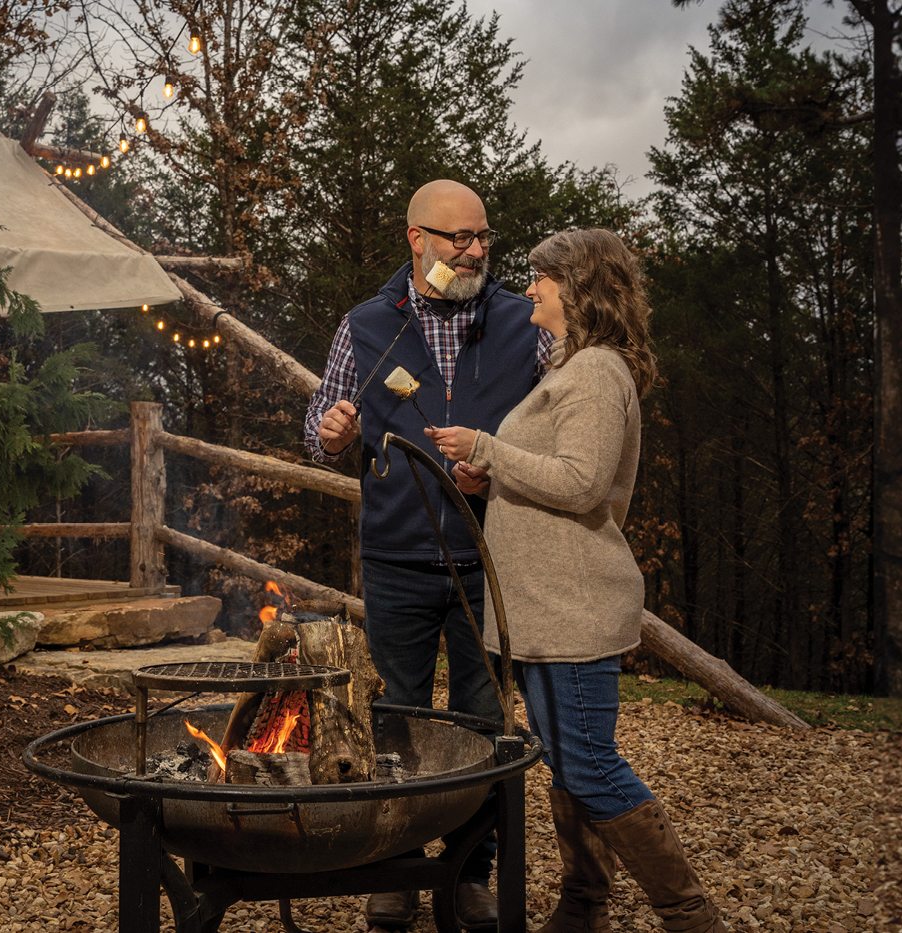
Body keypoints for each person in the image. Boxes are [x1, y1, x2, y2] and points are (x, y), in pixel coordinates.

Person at [427, 228, 728, 933]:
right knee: (569, 766)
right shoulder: (573, 367)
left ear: (578, 287)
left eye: (541, 278)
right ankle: (582, 905)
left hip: (571, 605)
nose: (530, 288)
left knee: (590, 765)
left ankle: (691, 917)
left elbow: (582, 482)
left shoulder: (593, 371)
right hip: (545, 609)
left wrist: (487, 447)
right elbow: (554, 472)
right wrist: (489, 472)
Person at [304, 178, 546, 932]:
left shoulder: (522, 321)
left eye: (481, 237)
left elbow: (559, 430)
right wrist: (333, 433)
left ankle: (467, 873)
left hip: (492, 555)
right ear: (416, 240)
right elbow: (319, 422)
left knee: (480, 722)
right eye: (456, 238)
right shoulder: (368, 324)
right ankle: (394, 872)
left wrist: (500, 463)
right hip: (397, 554)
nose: (474, 251)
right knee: (394, 716)